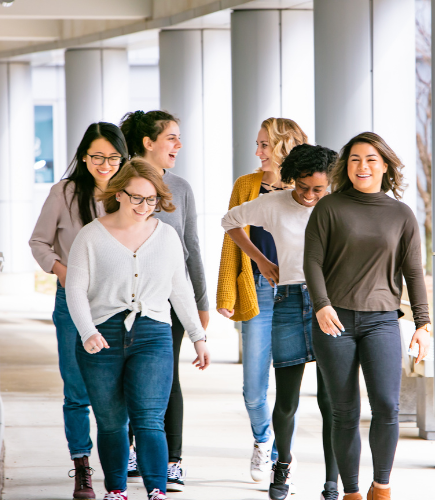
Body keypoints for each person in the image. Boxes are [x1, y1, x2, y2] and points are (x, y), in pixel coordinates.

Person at [65, 158, 210, 500]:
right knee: (112, 421)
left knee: (148, 419)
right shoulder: (91, 236)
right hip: (101, 336)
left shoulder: (167, 236)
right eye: (137, 198)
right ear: (119, 194)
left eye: (152, 200)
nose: (145, 207)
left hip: (153, 333)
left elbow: (180, 290)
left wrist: (198, 336)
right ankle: (116, 490)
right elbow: (74, 289)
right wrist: (87, 331)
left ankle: (156, 491)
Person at [304, 132, 431, 500]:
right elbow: (312, 260)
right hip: (335, 321)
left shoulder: (402, 215)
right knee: (344, 411)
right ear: (346, 165)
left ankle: (382, 486)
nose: (363, 166)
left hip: (381, 321)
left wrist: (423, 324)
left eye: (371, 159)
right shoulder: (329, 207)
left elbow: (413, 271)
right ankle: (352, 493)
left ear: (385, 165)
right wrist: (321, 304)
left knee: (387, 406)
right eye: (356, 159)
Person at [222, 144, 340, 500]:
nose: (308, 195)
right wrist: (260, 259)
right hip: (289, 301)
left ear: (330, 184)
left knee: (331, 400)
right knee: (286, 399)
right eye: (303, 187)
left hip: (332, 306)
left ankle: (333, 479)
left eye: (318, 189)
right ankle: (283, 464)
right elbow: (229, 222)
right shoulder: (274, 204)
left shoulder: (339, 206)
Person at [29, 122, 128, 500]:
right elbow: (38, 241)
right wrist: (63, 271)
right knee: (77, 389)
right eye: (97, 157)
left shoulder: (128, 192)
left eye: (113, 157)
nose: (105, 164)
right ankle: (83, 465)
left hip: (119, 303)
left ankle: (119, 466)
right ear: (83, 156)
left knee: (120, 388)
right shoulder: (64, 192)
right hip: (72, 302)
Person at [119, 110, 208, 491]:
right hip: (121, 301)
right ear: (147, 142)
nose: (178, 145)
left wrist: (202, 302)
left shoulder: (182, 188)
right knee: (121, 378)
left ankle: (173, 460)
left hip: (169, 303)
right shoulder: (118, 184)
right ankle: (131, 452)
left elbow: (191, 247)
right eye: (171, 137)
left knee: (165, 378)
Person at [216, 117, 308, 482]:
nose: (258, 152)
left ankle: (280, 453)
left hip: (297, 295)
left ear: (285, 145)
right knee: (254, 388)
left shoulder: (308, 187)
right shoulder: (247, 185)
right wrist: (228, 290)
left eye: (264, 145)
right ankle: (262, 440)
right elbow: (230, 235)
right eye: (258, 145)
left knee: (287, 384)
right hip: (257, 288)